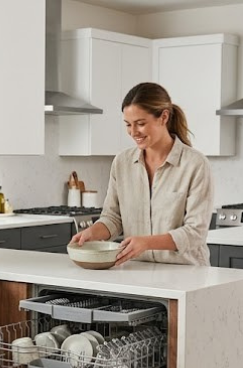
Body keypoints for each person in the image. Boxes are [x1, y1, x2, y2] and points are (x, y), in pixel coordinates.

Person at [70, 82, 214, 266]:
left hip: (187, 272)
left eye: (140, 124)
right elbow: (113, 218)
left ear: (163, 117)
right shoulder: (122, 162)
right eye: (128, 124)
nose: (133, 132)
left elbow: (196, 232)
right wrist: (94, 232)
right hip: (138, 271)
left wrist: (147, 243)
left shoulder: (195, 164)